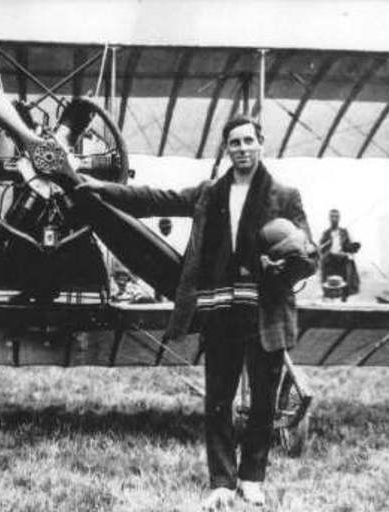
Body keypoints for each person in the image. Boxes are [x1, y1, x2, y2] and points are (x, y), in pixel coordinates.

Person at [79, 114, 317, 509]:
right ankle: (222, 483)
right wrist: (102, 187)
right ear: (226, 149)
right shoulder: (209, 193)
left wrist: (289, 263)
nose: (242, 149)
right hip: (220, 310)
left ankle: (252, 478)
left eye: (248, 141)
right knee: (219, 401)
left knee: (262, 402)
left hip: (266, 313)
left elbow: (310, 255)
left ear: (262, 143)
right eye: (234, 143)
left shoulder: (285, 195)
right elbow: (154, 199)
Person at [319, 208, 361, 300]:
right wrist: (327, 250)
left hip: (342, 261)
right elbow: (321, 249)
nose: (334, 219)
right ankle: (329, 301)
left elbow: (348, 246)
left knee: (344, 284)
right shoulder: (326, 233)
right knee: (330, 285)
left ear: (339, 218)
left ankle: (344, 301)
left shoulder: (344, 232)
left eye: (336, 217)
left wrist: (354, 246)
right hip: (330, 262)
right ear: (329, 218)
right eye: (332, 217)